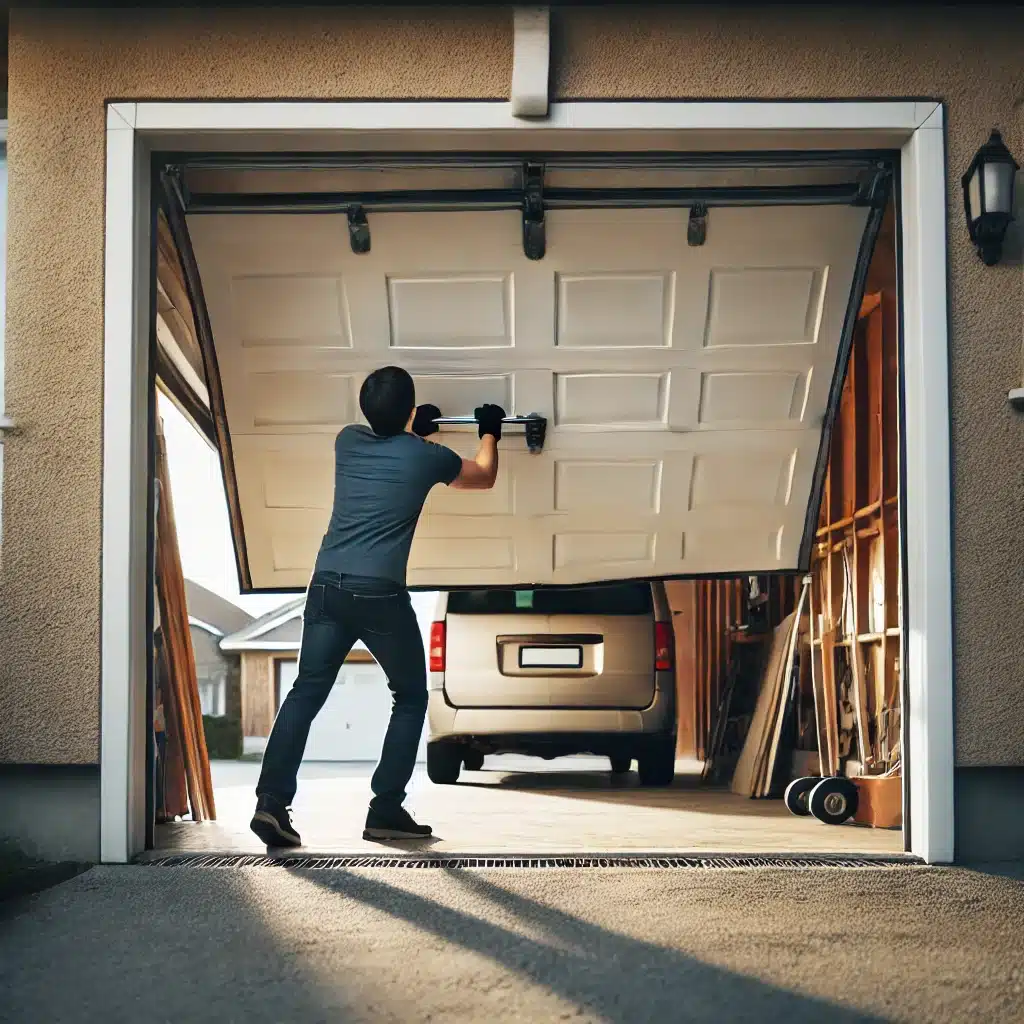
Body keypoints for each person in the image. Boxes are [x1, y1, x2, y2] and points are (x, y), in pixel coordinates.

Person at [249, 366, 504, 846]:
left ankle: (271, 805)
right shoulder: (426, 458)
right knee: (409, 697)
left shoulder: (346, 441)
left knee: (304, 693)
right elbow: (483, 476)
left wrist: (411, 429)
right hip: (379, 595)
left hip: (326, 586)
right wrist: (489, 430)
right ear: (409, 409)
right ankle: (385, 808)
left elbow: (393, 444)